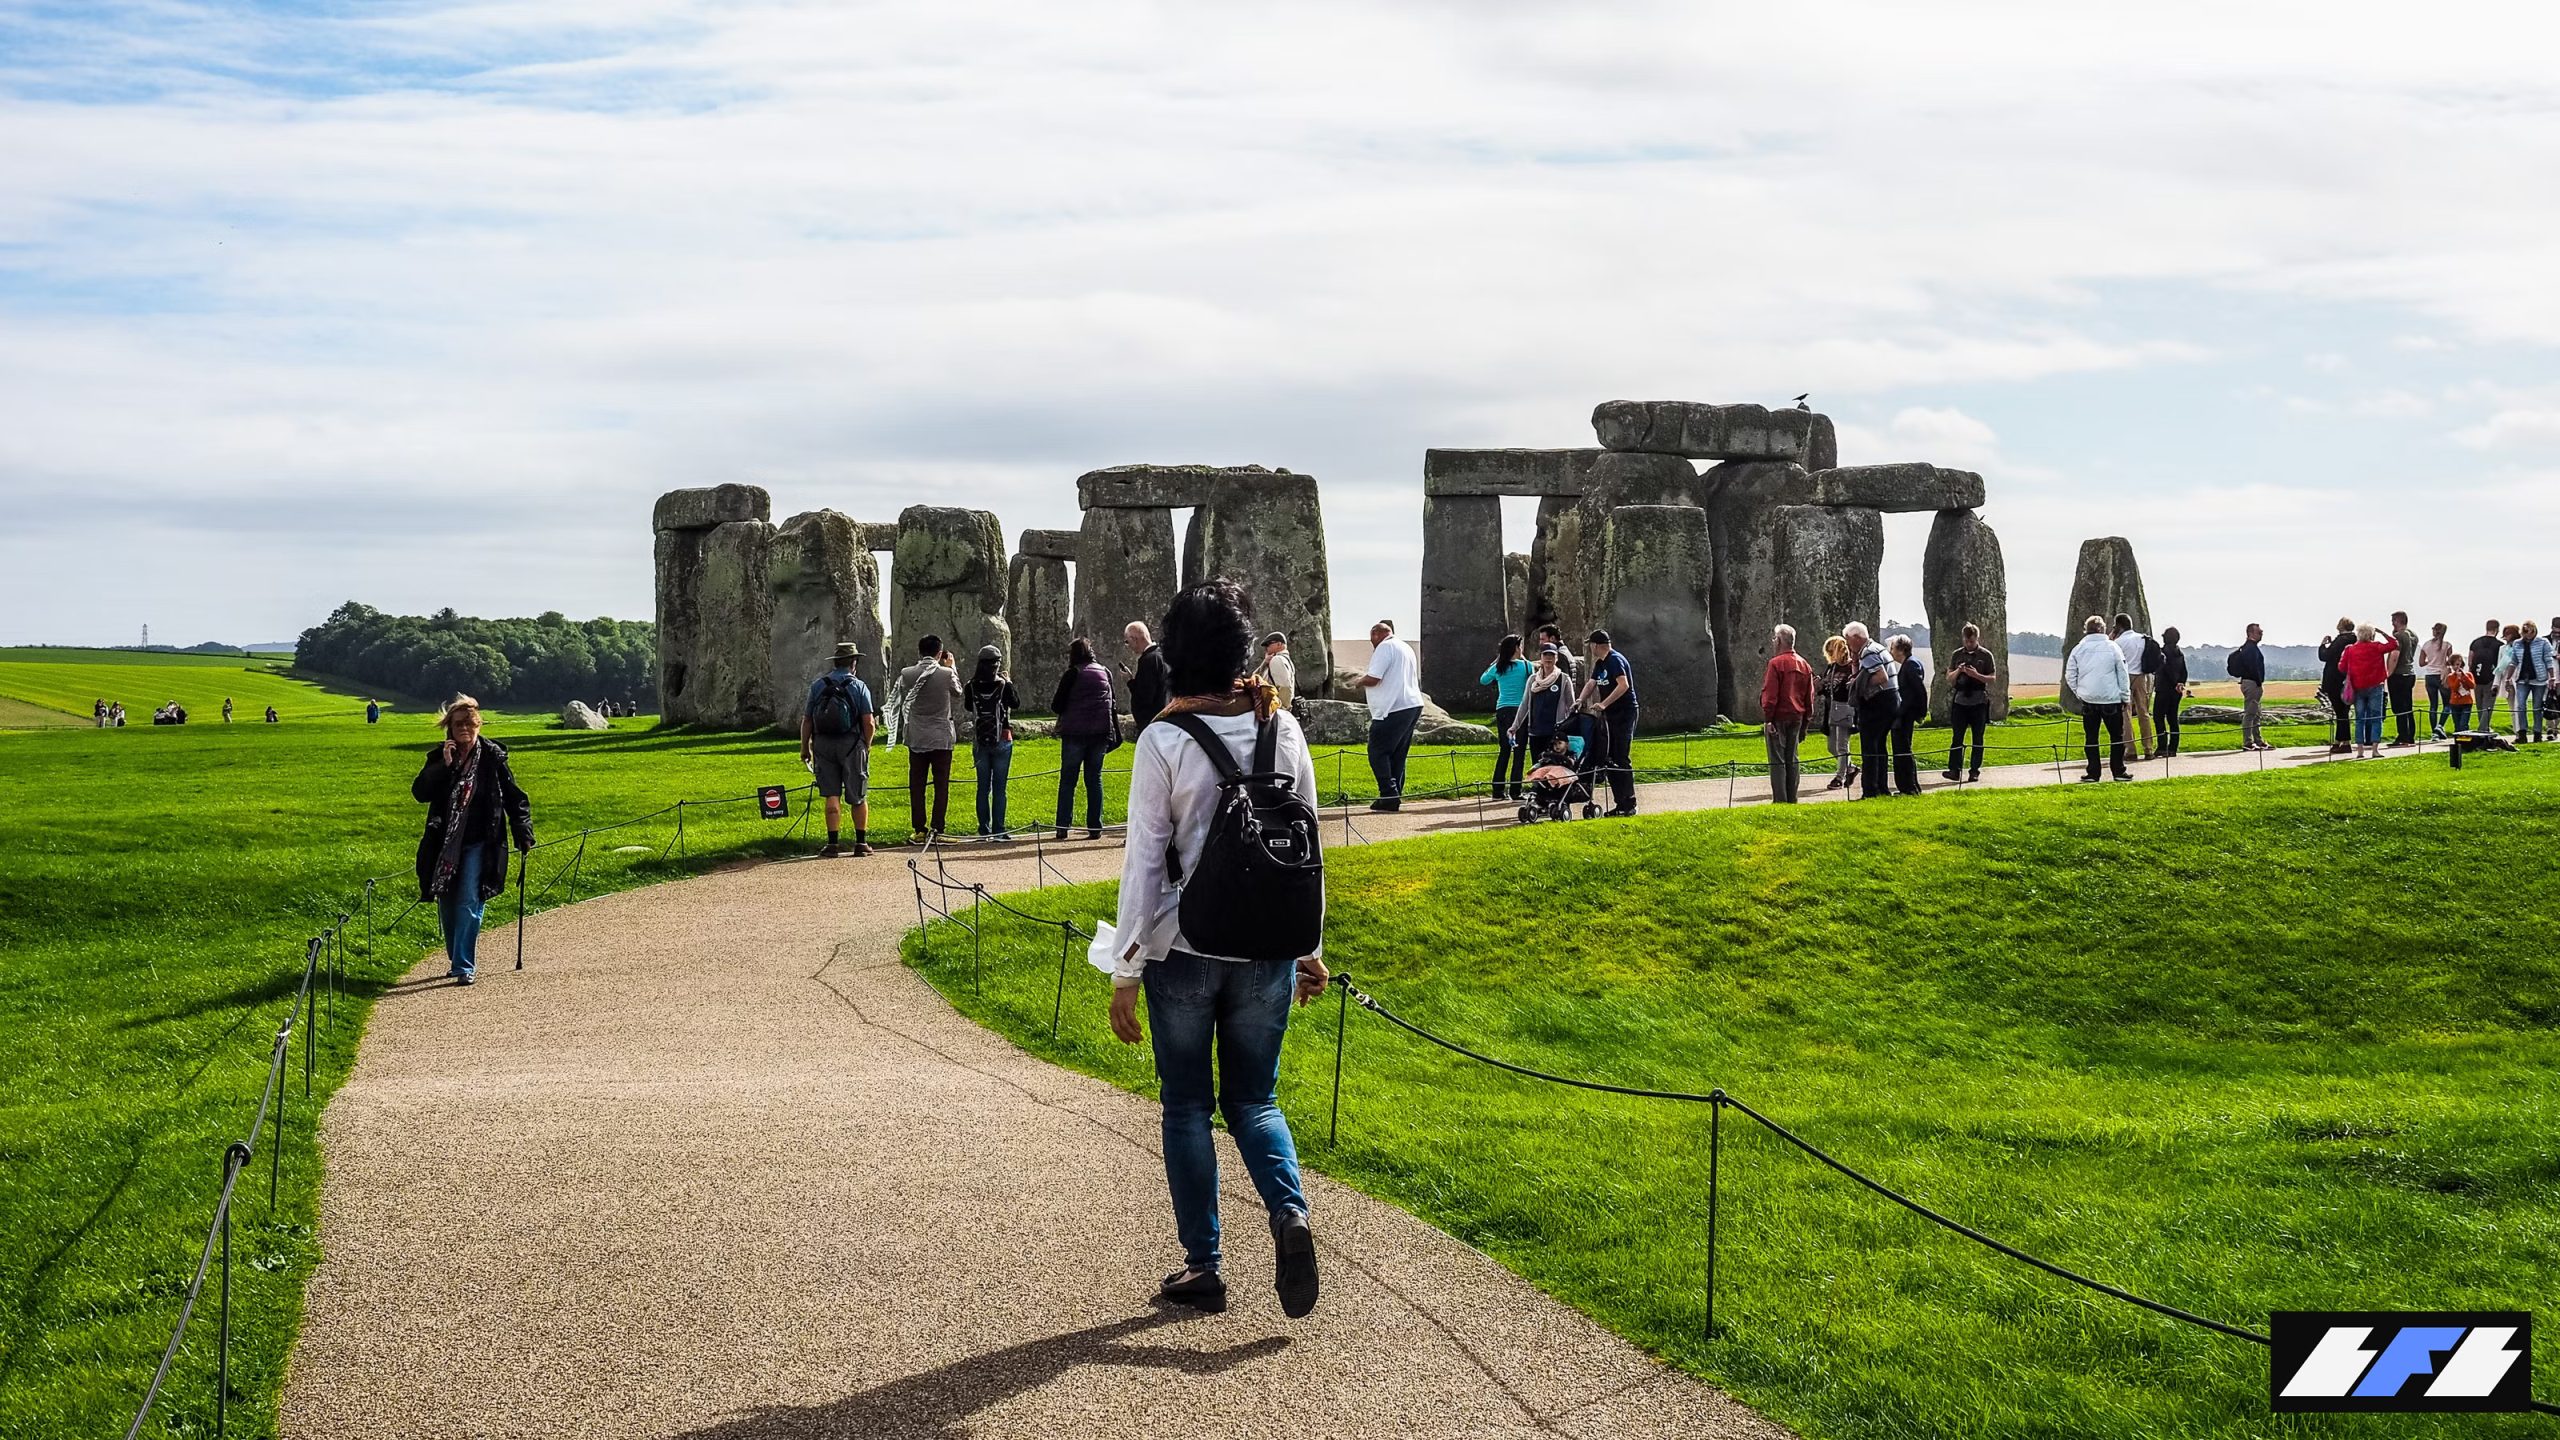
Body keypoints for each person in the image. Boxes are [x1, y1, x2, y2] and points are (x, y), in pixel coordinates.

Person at [1107, 578, 1327, 1322]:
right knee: (1255, 1099)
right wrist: (1309, 946)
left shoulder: (1164, 740)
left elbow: (1144, 860)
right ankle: (1288, 1213)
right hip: (1267, 947)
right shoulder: (1283, 729)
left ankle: (1204, 1266)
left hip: (1185, 946)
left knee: (1187, 1109)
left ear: (1174, 658)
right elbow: (1306, 844)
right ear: (1241, 652)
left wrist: (1125, 968)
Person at [411, 695, 534, 986]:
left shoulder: (492, 757)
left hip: (482, 840)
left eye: (470, 722)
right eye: (458, 723)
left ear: (479, 724)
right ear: (449, 728)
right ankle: (456, 957)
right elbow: (420, 793)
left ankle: (464, 965)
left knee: (469, 898)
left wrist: (523, 831)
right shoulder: (439, 757)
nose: (465, 728)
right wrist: (445, 765)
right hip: (445, 842)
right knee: (448, 901)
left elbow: (515, 798)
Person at [799, 640, 877, 857]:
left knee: (831, 795)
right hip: (852, 744)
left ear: (835, 662)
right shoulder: (859, 686)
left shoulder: (817, 686)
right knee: (858, 794)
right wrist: (866, 744)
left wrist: (805, 747)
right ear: (854, 662)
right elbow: (868, 721)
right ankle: (861, 843)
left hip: (823, 744)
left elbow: (807, 721)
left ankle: (832, 843)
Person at [891, 636, 961, 842]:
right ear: (940, 653)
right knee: (941, 785)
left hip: (917, 736)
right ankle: (938, 828)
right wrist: (953, 668)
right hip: (941, 736)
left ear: (919, 651)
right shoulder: (946, 673)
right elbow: (958, 691)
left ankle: (919, 828)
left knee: (917, 785)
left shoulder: (907, 673)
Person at [1051, 637, 1117, 840]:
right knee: (1094, 779)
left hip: (1075, 733)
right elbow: (1112, 702)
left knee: (1068, 780)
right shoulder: (1105, 672)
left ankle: (1063, 826)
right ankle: (1095, 827)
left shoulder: (1073, 673)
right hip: (1100, 733)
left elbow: (1057, 705)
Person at [1357, 619, 1424, 813]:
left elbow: (1374, 677)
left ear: (1377, 634)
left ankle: (1388, 793)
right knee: (1397, 754)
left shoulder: (1384, 648)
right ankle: (1393, 796)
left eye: (1372, 639)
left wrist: (1358, 681)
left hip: (1392, 708)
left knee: (1377, 751)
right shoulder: (1405, 647)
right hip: (1411, 704)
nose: (1372, 643)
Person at [2064, 616, 2133, 782]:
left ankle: (2093, 772)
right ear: (2103, 629)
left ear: (2086, 629)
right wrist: (2125, 696)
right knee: (2116, 737)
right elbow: (2122, 673)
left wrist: (2079, 692)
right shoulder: (2113, 647)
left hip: (2089, 699)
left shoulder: (2078, 649)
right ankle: (2118, 770)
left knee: (2091, 738)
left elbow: (2070, 674)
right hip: (2111, 698)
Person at [963, 645, 1021, 839]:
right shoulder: (1003, 684)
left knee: (982, 787)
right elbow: (1015, 703)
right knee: (999, 788)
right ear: (997, 664)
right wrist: (1009, 681)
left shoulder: (971, 685)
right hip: (1003, 737)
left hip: (980, 740)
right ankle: (999, 828)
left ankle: (983, 828)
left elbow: (968, 706)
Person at [1579, 629, 1639, 815]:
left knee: (1620, 757)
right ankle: (1619, 803)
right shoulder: (1600, 663)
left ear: (1596, 645)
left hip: (1624, 713)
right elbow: (1591, 683)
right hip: (1610, 714)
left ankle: (1628, 804)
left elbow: (1624, 685)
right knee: (1609, 757)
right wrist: (1580, 700)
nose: (1590, 648)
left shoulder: (1615, 660)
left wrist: (1604, 703)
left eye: (1591, 644)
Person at [1758, 623, 1813, 803]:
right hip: (1797, 716)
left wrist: (1768, 719)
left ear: (1780, 640)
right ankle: (1792, 798)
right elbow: (1809, 697)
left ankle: (1780, 800)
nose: (1773, 642)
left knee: (1777, 760)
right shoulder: (1805, 665)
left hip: (1779, 716)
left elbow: (1770, 695)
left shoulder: (1775, 663)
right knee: (1793, 758)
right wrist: (1806, 722)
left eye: (1775, 639)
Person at [1509, 644, 1576, 788]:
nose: (1548, 659)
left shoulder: (1564, 679)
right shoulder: (1533, 680)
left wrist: (1569, 728)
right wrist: (1515, 726)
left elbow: (1571, 706)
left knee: (1553, 766)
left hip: (1554, 732)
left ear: (1556, 658)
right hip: (1535, 730)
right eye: (1545, 655)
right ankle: (1538, 794)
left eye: (1552, 655)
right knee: (1538, 765)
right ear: (1540, 658)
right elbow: (1525, 704)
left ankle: (1555, 796)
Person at [1940, 622, 1995, 781]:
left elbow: (1992, 678)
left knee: (1978, 738)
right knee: (1957, 737)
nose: (1969, 644)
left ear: (1977, 638)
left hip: (1978, 701)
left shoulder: (1985, 655)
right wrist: (1959, 670)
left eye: (1972, 641)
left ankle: (1974, 771)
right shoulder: (1957, 655)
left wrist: (1975, 674)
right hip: (1960, 700)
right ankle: (1954, 770)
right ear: (1963, 638)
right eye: (1966, 640)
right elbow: (1949, 678)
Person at [1847, 622, 1895, 799]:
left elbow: (1881, 677)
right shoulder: (1878, 648)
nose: (1848, 645)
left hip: (1879, 702)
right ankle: (1882, 787)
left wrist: (1859, 685)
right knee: (1879, 746)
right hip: (1890, 700)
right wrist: (1854, 662)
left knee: (1869, 746)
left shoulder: (1869, 652)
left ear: (1857, 638)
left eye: (1848, 640)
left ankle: (1870, 791)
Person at [1481, 635, 1530, 801]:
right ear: (1517, 648)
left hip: (1503, 710)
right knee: (1519, 751)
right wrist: (1522, 657)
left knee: (1504, 750)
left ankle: (1498, 790)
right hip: (1521, 710)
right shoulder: (1526, 666)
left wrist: (1498, 660)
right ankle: (1515, 790)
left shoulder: (1499, 667)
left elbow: (1484, 680)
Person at [2339, 622, 2399, 758]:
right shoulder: (2376, 646)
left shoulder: (2350, 649)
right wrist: (2383, 633)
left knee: (2360, 718)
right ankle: (2375, 749)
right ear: (2372, 634)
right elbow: (2394, 644)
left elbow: (2341, 667)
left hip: (2357, 687)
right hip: (2376, 686)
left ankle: (2360, 750)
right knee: (2376, 718)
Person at [2113, 613, 2158, 761]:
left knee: (2125, 714)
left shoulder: (2118, 642)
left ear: (2119, 626)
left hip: (2124, 677)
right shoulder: (2142, 639)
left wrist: (2111, 638)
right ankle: (2148, 748)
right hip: (2141, 676)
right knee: (2143, 713)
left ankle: (2130, 750)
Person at [1817, 634, 1859, 791]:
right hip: (1832, 709)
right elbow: (1825, 687)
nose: (1828, 654)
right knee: (1831, 747)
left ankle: (1839, 777)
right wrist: (1819, 685)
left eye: (1830, 650)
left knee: (1842, 745)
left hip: (1846, 708)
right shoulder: (1832, 667)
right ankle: (1851, 767)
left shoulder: (1852, 667)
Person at [1887, 635, 1927, 795]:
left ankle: (1908, 787)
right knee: (1903, 750)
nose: (1891, 651)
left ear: (1901, 649)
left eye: (1893, 648)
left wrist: (1921, 712)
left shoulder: (1910, 665)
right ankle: (1910, 786)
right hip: (1905, 713)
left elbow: (1920, 691)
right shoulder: (1911, 663)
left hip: (1905, 714)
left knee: (1903, 751)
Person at [2509, 621, 2552, 743]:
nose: (2528, 634)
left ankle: (2537, 733)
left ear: (2534, 631)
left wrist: (2552, 677)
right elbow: (2514, 661)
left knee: (2537, 707)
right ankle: (2522, 732)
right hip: (2522, 679)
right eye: (2525, 632)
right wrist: (2508, 678)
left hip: (2539, 679)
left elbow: (2548, 660)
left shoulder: (2543, 642)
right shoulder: (2517, 644)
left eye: (2530, 631)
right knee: (2520, 705)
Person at [2317, 618, 2354, 755]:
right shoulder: (2354, 639)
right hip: (2349, 679)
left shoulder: (2340, 641)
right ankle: (2340, 740)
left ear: (2340, 626)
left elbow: (2325, 656)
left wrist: (2323, 645)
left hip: (2335, 679)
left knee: (2340, 711)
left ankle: (2344, 741)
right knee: (2344, 710)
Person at [1124, 622, 1172, 727]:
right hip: (1166, 716)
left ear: (1134, 639)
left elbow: (1144, 696)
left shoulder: (1148, 660)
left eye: (1127, 642)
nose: (1129, 646)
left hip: (1152, 721)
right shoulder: (1162, 655)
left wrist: (1131, 683)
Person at [2152, 626, 2189, 758]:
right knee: (2173, 719)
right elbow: (2184, 671)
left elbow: (2164, 669)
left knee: (2158, 717)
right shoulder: (2179, 653)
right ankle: (2173, 747)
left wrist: (2174, 683)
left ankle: (2162, 746)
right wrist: (2180, 683)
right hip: (2176, 691)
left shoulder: (2162, 653)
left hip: (2163, 689)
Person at [2385, 611, 2420, 747]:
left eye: (2393, 621)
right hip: (2410, 673)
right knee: (2408, 706)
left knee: (2399, 708)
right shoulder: (2413, 635)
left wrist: (2388, 674)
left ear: (2397, 621)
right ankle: (2410, 735)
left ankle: (2403, 736)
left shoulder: (2399, 636)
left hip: (2399, 674)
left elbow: (2395, 656)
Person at [2416, 622, 2454, 741]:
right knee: (2447, 704)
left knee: (2433, 705)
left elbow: (2421, 663)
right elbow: (2451, 661)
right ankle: (2440, 725)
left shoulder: (2426, 645)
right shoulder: (2447, 645)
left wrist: (2430, 661)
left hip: (2429, 676)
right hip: (2442, 675)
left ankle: (2434, 733)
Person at [2470, 620, 2506, 734]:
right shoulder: (2500, 645)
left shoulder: (2475, 642)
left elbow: (2471, 661)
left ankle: (2483, 727)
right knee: (2488, 705)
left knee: (2480, 705)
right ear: (2497, 629)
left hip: (2476, 677)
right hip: (2491, 678)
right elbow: (2501, 663)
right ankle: (2483, 729)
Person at [1255, 631, 1296, 710]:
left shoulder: (1277, 659)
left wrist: (1281, 708)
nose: (1266, 648)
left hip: (1275, 711)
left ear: (1279, 644)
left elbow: (1285, 687)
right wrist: (1264, 663)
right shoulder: (1284, 660)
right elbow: (1255, 678)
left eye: (1268, 644)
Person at [2446, 652, 2477, 735]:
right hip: (2455, 703)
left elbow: (2472, 685)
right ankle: (2458, 742)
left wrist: (2464, 677)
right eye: (2454, 665)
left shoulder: (2469, 675)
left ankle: (2465, 742)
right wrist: (2458, 679)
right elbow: (2454, 688)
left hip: (2466, 702)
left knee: (2463, 724)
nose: (2457, 667)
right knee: (2457, 725)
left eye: (2458, 664)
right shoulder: (2450, 676)